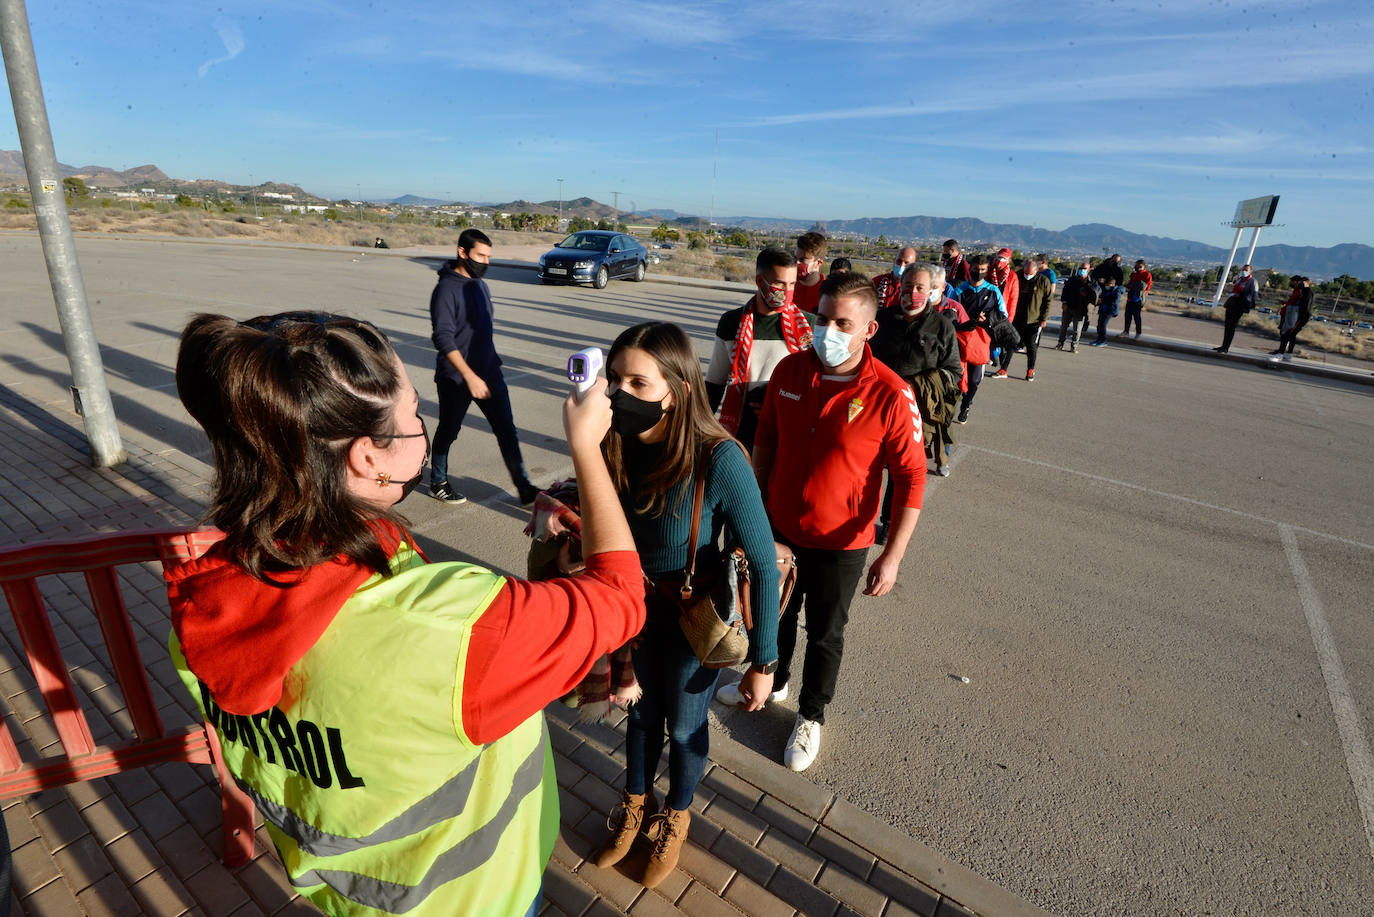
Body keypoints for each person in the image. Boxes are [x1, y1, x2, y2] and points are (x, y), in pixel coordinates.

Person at [168, 311, 646, 917]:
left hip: (342, 895)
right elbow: (623, 596)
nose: (423, 427)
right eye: (415, 414)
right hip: (474, 897)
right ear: (370, 458)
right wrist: (587, 450)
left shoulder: (200, 608)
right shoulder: (452, 627)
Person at [595, 322, 780, 888]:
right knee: (640, 714)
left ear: (674, 389)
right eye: (614, 379)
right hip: (629, 609)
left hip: (690, 617)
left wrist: (764, 662)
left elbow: (764, 561)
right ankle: (633, 804)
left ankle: (675, 816)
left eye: (638, 383)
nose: (619, 394)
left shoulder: (719, 459)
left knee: (682, 728)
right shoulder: (613, 441)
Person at [749, 273, 926, 772]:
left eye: (842, 323)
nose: (827, 330)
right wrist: (758, 503)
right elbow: (766, 440)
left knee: (825, 631)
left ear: (868, 329)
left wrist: (892, 555)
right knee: (775, 612)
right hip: (780, 526)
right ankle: (774, 677)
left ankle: (811, 715)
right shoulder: (789, 371)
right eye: (821, 318)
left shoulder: (891, 394)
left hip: (841, 542)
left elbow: (911, 479)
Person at [429, 228, 540, 505]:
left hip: (490, 373)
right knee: (449, 430)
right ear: (462, 252)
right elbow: (442, 338)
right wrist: (469, 376)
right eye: (480, 255)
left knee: (506, 430)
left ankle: (524, 486)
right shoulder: (445, 290)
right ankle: (438, 481)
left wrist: (485, 372)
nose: (485, 262)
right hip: (457, 378)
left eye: (489, 256)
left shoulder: (480, 285)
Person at [705, 247, 814, 450]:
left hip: (785, 434)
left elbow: (816, 387)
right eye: (779, 283)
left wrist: (778, 400)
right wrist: (697, 430)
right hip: (739, 433)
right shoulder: (731, 322)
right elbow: (714, 384)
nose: (787, 292)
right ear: (759, 281)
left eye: (792, 284)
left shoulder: (809, 327)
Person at [871, 263, 962, 481]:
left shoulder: (942, 326)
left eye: (920, 288)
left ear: (931, 291)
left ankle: (891, 517)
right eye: (908, 285)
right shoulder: (880, 319)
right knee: (869, 466)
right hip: (876, 408)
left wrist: (915, 385)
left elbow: (954, 372)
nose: (913, 292)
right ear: (900, 285)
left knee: (903, 474)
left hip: (916, 413)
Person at [953, 255, 1003, 420]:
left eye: (982, 270)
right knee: (956, 378)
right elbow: (950, 313)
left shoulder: (993, 291)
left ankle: (966, 405)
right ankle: (951, 405)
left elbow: (1003, 315)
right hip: (960, 342)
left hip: (981, 343)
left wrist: (988, 319)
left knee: (974, 380)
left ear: (987, 270)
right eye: (976, 269)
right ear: (971, 269)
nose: (979, 272)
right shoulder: (959, 291)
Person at [1003, 257, 1054, 380]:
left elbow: (1048, 301)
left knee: (1031, 346)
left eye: (1030, 273)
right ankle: (1003, 369)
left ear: (1036, 270)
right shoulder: (1017, 277)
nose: (1027, 275)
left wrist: (1044, 318)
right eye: (1025, 272)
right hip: (1016, 317)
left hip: (1033, 320)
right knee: (1011, 343)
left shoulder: (1043, 281)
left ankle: (1030, 370)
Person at [1214, 264, 1259, 354]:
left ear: (1251, 271)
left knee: (1232, 326)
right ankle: (1223, 345)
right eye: (1243, 270)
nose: (1244, 271)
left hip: (1240, 305)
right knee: (1227, 325)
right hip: (1232, 303)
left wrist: (1244, 299)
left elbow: (1254, 295)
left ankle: (1226, 347)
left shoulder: (1252, 281)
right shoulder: (1240, 279)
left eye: (1246, 270)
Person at [1057, 261, 1097, 352]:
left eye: (1084, 269)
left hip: (1081, 309)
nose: (1082, 270)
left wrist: (1087, 295)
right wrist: (1064, 302)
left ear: (1089, 270)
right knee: (1064, 326)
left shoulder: (1091, 283)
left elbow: (1094, 296)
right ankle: (1060, 343)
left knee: (1077, 329)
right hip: (1069, 306)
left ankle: (1074, 345)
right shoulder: (1072, 280)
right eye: (1081, 268)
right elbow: (1065, 291)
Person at [1272, 276, 1313, 362]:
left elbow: (1305, 306)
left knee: (1287, 333)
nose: (1299, 283)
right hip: (1296, 315)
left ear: (1306, 282)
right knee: (1290, 334)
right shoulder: (1303, 291)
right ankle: (1287, 354)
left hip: (1300, 316)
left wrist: (1299, 316)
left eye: (1301, 282)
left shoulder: (1307, 291)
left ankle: (1281, 354)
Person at [874, 246, 918, 311]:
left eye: (906, 263)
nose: (902, 266)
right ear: (894, 261)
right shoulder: (878, 281)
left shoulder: (914, 289)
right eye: (899, 261)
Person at [794, 231, 828, 313]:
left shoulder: (827, 294)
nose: (797, 263)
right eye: (795, 258)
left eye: (802, 259)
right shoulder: (788, 286)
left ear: (818, 263)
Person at [1120, 259, 1153, 338]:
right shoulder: (1134, 274)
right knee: (1127, 315)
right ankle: (1126, 331)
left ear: (1144, 267)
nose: (1137, 267)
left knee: (1137, 317)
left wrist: (1142, 292)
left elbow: (1148, 286)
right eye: (1136, 266)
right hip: (1130, 298)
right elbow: (1129, 284)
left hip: (1138, 299)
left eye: (1140, 266)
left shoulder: (1147, 274)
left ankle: (1138, 333)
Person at [989, 248, 1021, 325]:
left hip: (1001, 313)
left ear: (1009, 260)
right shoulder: (988, 271)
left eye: (1004, 258)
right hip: (987, 310)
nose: (1000, 260)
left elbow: (1013, 300)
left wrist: (1009, 320)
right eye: (999, 257)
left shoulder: (1012, 277)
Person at [1091, 276, 1124, 346]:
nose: (1106, 286)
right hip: (1103, 309)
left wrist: (1104, 301)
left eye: (1108, 285)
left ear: (1113, 284)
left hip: (1109, 310)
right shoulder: (1106, 290)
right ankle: (1099, 339)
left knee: (1103, 325)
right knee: (1099, 325)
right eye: (1106, 284)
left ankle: (1103, 340)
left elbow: (1115, 301)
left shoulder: (1116, 291)